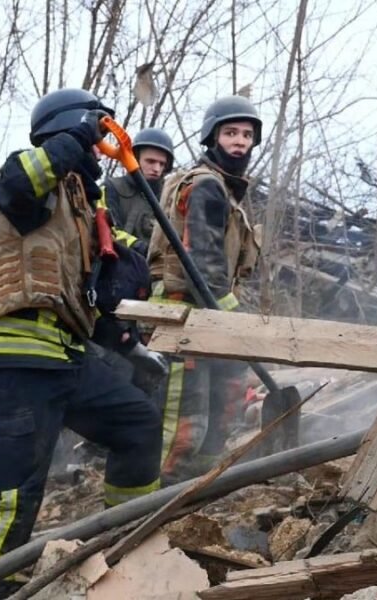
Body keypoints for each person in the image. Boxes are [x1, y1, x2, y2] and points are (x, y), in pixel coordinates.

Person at [0, 88, 166, 599]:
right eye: (98, 134)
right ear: (74, 128)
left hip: (64, 357)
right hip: (17, 357)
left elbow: (76, 300)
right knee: (13, 499)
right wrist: (83, 134)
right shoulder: (25, 182)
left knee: (137, 425)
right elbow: (18, 185)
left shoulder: (78, 207)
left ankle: (124, 541)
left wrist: (130, 346)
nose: (102, 150)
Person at [147, 95, 263, 484]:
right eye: (230, 133)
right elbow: (204, 261)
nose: (240, 142)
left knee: (224, 404)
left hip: (208, 312)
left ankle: (194, 493)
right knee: (185, 422)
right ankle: (151, 504)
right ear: (212, 138)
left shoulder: (223, 191)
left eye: (247, 135)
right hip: (185, 315)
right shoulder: (206, 187)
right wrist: (237, 322)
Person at [103, 127, 175, 253]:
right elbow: (108, 231)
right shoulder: (112, 187)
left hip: (157, 269)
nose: (157, 169)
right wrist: (141, 248)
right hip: (117, 265)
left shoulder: (170, 196)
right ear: (135, 159)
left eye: (162, 164)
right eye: (150, 161)